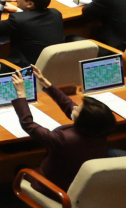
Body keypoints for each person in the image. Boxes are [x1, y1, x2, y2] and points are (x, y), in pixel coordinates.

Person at [11, 67, 116, 195]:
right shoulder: (100, 128)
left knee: (20, 168)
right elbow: (68, 105)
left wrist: (21, 95)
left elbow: (28, 125)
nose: (75, 107)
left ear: (82, 121)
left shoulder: (64, 139)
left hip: (54, 187)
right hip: (82, 184)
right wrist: (46, 83)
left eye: (78, 109)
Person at [0, 0, 64, 68]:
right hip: (52, 65)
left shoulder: (18, 20)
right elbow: (32, 20)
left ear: (30, 4)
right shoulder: (56, 13)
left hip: (27, 68)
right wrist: (19, 11)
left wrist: (0, 1)